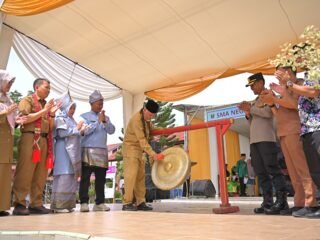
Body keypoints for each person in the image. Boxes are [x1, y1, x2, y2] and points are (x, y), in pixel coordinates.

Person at [260, 66, 318, 217]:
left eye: (281, 71)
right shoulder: (285, 87)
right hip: (284, 132)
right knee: (293, 171)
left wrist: (275, 97)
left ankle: (311, 202)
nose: (278, 75)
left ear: (289, 71)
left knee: (302, 169)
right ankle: (299, 202)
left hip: (295, 130)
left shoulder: (298, 84)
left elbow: (294, 105)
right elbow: (279, 113)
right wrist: (271, 102)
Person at [239, 72, 288, 214]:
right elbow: (254, 122)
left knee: (273, 169)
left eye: (253, 85)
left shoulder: (269, 95)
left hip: (267, 139)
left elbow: (267, 113)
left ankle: (282, 201)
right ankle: (267, 202)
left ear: (261, 82)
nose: (252, 88)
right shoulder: (255, 100)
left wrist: (250, 109)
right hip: (255, 140)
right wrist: (248, 114)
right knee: (261, 172)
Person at [12, 78, 60, 215]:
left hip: (44, 139)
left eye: (50, 88)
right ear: (37, 87)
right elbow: (25, 118)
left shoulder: (46, 105)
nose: (49, 90)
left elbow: (51, 127)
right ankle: (19, 203)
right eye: (46, 87)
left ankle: (36, 203)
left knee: (41, 174)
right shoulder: (27, 100)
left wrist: (51, 114)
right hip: (30, 137)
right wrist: (44, 111)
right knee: (25, 171)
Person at [122, 99, 164, 211]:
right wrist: (153, 154)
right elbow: (142, 140)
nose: (151, 117)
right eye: (150, 114)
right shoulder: (136, 119)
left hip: (139, 151)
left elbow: (152, 130)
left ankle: (141, 202)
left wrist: (163, 131)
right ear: (144, 109)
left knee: (140, 177)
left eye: (152, 115)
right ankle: (127, 202)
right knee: (130, 177)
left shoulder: (146, 120)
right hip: (130, 149)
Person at [79, 90, 115, 212]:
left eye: (102, 103)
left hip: (102, 151)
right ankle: (84, 202)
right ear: (92, 103)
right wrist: (97, 122)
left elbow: (112, 131)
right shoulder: (84, 117)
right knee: (85, 178)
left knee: (101, 178)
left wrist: (104, 121)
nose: (101, 106)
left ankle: (99, 203)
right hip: (88, 150)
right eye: (99, 103)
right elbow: (84, 132)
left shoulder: (106, 117)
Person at [51, 92, 87, 213]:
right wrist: (77, 129)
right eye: (71, 107)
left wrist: (81, 130)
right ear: (65, 107)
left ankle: (68, 204)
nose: (72, 110)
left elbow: (74, 134)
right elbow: (61, 133)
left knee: (71, 176)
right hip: (63, 150)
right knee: (63, 175)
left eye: (73, 108)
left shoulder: (71, 119)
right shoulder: (60, 118)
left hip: (72, 151)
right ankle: (59, 205)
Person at [0, 70, 27, 217]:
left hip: (6, 143)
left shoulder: (8, 100)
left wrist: (17, 121)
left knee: (4, 175)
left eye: (11, 83)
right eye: (8, 82)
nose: (10, 85)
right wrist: (5, 113)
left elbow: (10, 122)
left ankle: (2, 207)